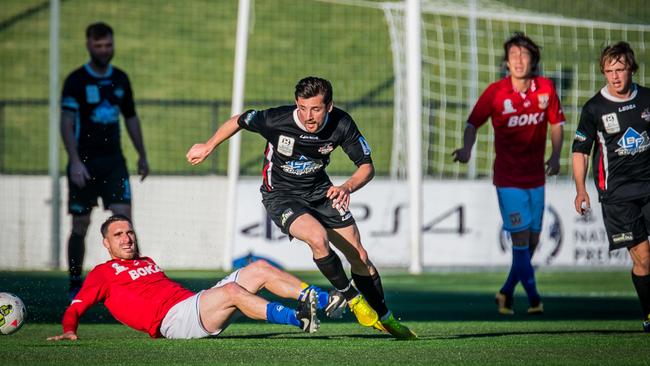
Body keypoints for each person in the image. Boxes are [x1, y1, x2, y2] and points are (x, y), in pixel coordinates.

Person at [186, 76, 417, 340]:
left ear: (329, 106)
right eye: (303, 108)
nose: (308, 116)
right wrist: (208, 146)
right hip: (281, 195)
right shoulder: (276, 120)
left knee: (360, 257)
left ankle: (385, 318)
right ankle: (353, 299)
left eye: (316, 109)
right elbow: (238, 120)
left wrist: (347, 188)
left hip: (321, 192)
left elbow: (366, 167)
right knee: (317, 238)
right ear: (296, 103)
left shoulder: (341, 123)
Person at [47, 215, 321, 340]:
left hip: (192, 306)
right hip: (174, 323)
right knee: (232, 292)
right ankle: (299, 319)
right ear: (106, 244)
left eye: (129, 232)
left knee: (259, 267)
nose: (127, 238)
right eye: (118, 235)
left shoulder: (146, 261)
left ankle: (322, 300)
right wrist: (69, 330)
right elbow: (75, 307)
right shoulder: (102, 274)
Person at [453, 32, 564, 315]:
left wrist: (555, 154)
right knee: (520, 239)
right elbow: (472, 123)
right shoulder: (496, 92)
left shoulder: (546, 89)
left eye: (524, 55)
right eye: (513, 55)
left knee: (534, 240)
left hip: (536, 178)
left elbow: (556, 124)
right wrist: (467, 149)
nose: (518, 60)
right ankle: (534, 298)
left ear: (533, 60)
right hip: (508, 179)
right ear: (506, 62)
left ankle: (505, 292)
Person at [60, 22, 149, 299]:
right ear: (88, 46)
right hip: (84, 164)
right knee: (80, 226)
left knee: (125, 222)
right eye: (98, 46)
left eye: (108, 45)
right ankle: (76, 282)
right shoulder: (76, 81)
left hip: (114, 163)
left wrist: (142, 155)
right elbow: (66, 122)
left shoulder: (120, 79)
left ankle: (138, 281)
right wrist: (74, 161)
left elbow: (131, 119)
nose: (104, 50)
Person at [572, 41, 650, 333]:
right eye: (609, 71)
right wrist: (581, 190)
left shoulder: (647, 99)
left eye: (620, 69)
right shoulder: (594, 108)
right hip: (617, 194)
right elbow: (580, 151)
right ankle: (649, 314)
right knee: (644, 259)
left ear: (631, 68)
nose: (615, 76)